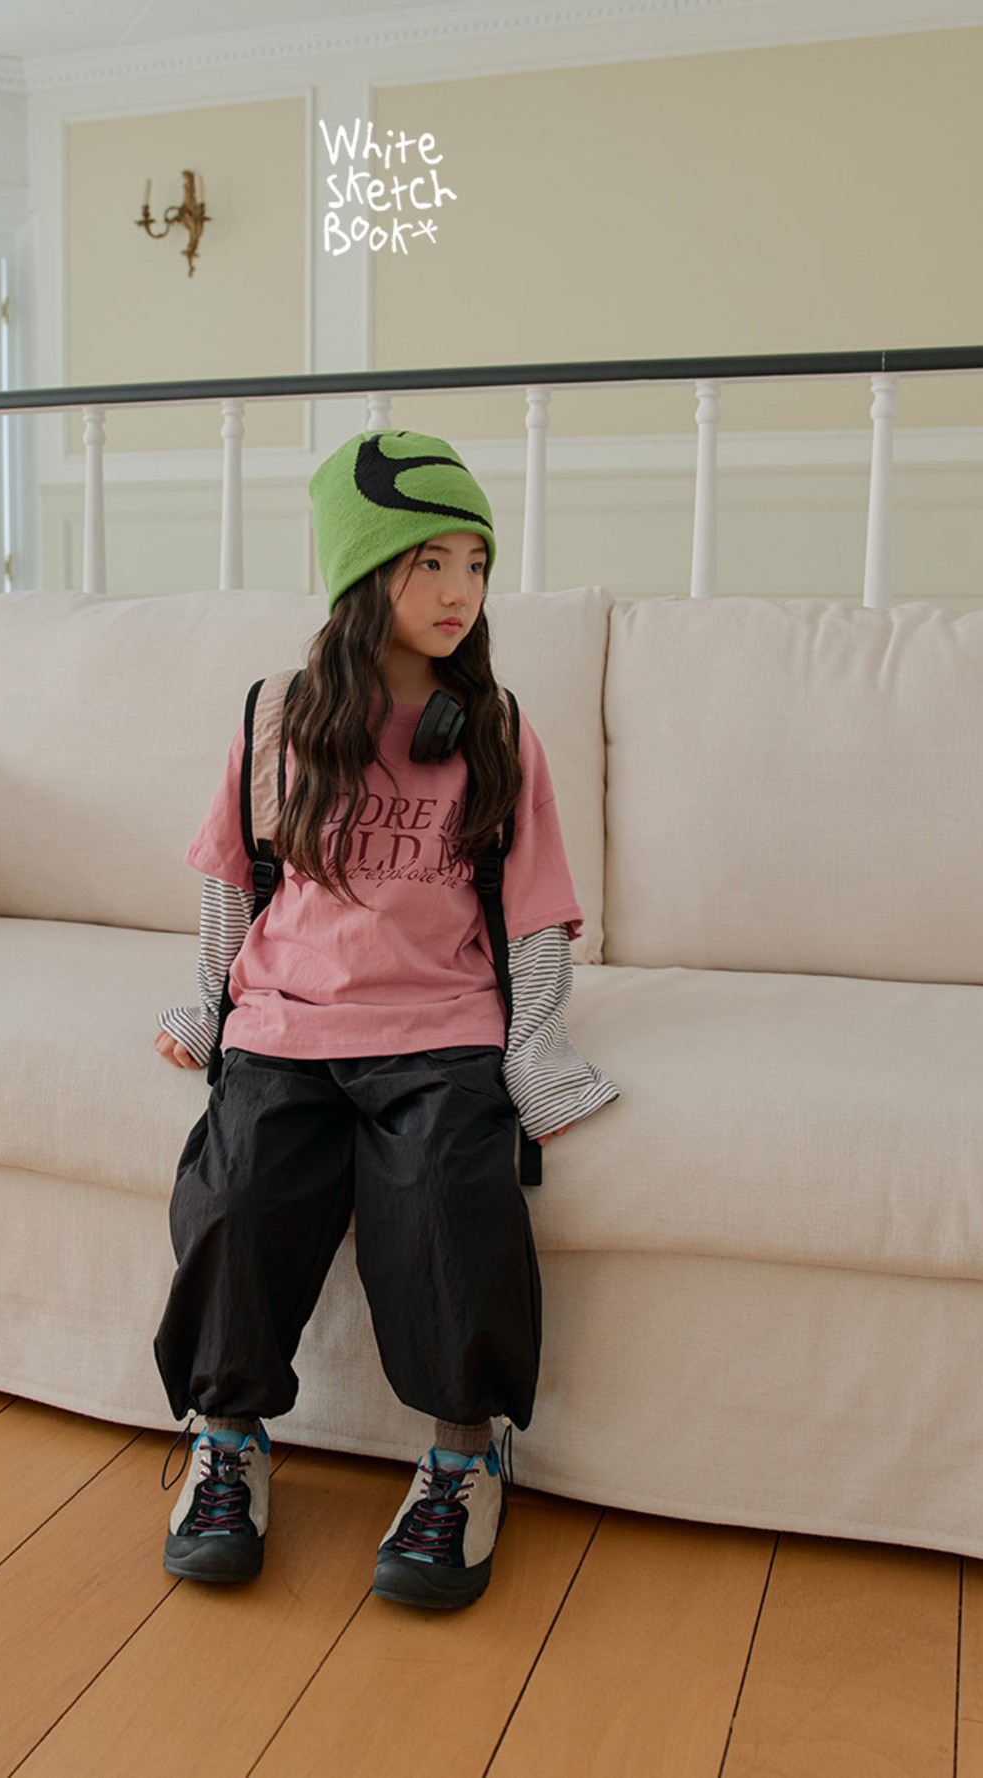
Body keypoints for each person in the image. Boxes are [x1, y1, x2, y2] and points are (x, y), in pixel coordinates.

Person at [151, 428, 619, 1610]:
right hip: (284, 1021)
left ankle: (463, 1456)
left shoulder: (495, 729)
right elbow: (228, 881)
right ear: (363, 573)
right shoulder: (277, 717)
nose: (461, 589)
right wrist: (206, 1005)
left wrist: (532, 1051)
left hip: (438, 1027)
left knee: (447, 1197)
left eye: (475, 562)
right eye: (430, 562)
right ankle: (227, 1438)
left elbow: (534, 915)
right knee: (235, 1192)